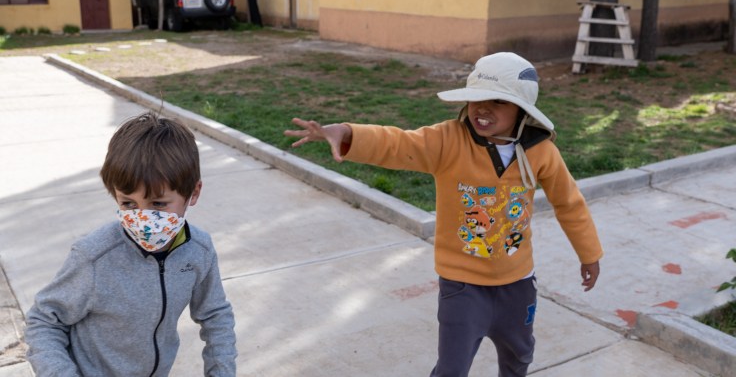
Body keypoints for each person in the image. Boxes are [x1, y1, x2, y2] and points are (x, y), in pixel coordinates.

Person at [284, 52, 603, 377]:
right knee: (451, 368)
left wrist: (589, 253)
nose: (483, 108)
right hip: (462, 287)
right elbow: (398, 144)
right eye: (477, 98)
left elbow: (568, 202)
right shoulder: (448, 140)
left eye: (498, 101)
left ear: (522, 110)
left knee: (519, 357)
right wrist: (348, 133)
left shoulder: (541, 151)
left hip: (517, 284)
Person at [25, 112, 237, 377]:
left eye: (158, 204)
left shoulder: (199, 251)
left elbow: (215, 315)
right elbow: (44, 321)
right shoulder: (94, 256)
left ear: (193, 193)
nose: (143, 218)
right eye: (128, 203)